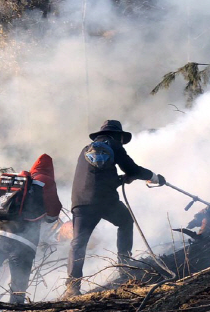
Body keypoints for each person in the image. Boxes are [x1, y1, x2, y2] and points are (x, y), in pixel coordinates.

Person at [63, 120, 165, 298]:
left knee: (78, 243)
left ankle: (72, 286)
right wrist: (154, 177)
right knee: (125, 222)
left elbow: (96, 179)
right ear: (118, 135)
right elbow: (132, 169)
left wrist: (120, 180)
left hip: (80, 202)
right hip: (105, 201)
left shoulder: (85, 149)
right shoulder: (113, 145)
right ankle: (124, 267)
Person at [0, 154, 62, 304]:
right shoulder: (46, 182)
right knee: (18, 289)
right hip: (22, 243)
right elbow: (53, 214)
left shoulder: (16, 183)